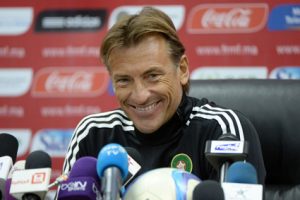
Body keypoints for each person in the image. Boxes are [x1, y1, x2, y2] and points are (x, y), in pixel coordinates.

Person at [61, 7, 266, 185]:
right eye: (124, 80)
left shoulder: (222, 131)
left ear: (183, 70)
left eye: (152, 76)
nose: (140, 96)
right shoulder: (93, 133)